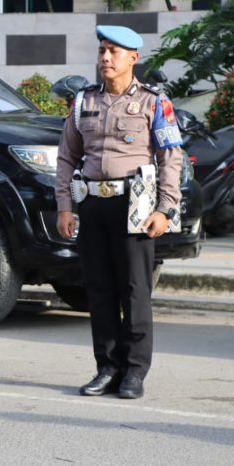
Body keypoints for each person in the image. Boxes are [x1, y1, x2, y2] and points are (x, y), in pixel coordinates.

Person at [55, 25, 183, 399]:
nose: (105, 58)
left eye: (113, 51)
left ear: (134, 58)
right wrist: (65, 206)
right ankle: (107, 367)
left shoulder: (153, 102)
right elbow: (67, 157)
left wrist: (165, 209)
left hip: (136, 205)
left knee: (134, 290)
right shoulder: (84, 102)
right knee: (99, 290)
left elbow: (169, 158)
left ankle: (134, 372)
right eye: (101, 51)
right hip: (93, 202)